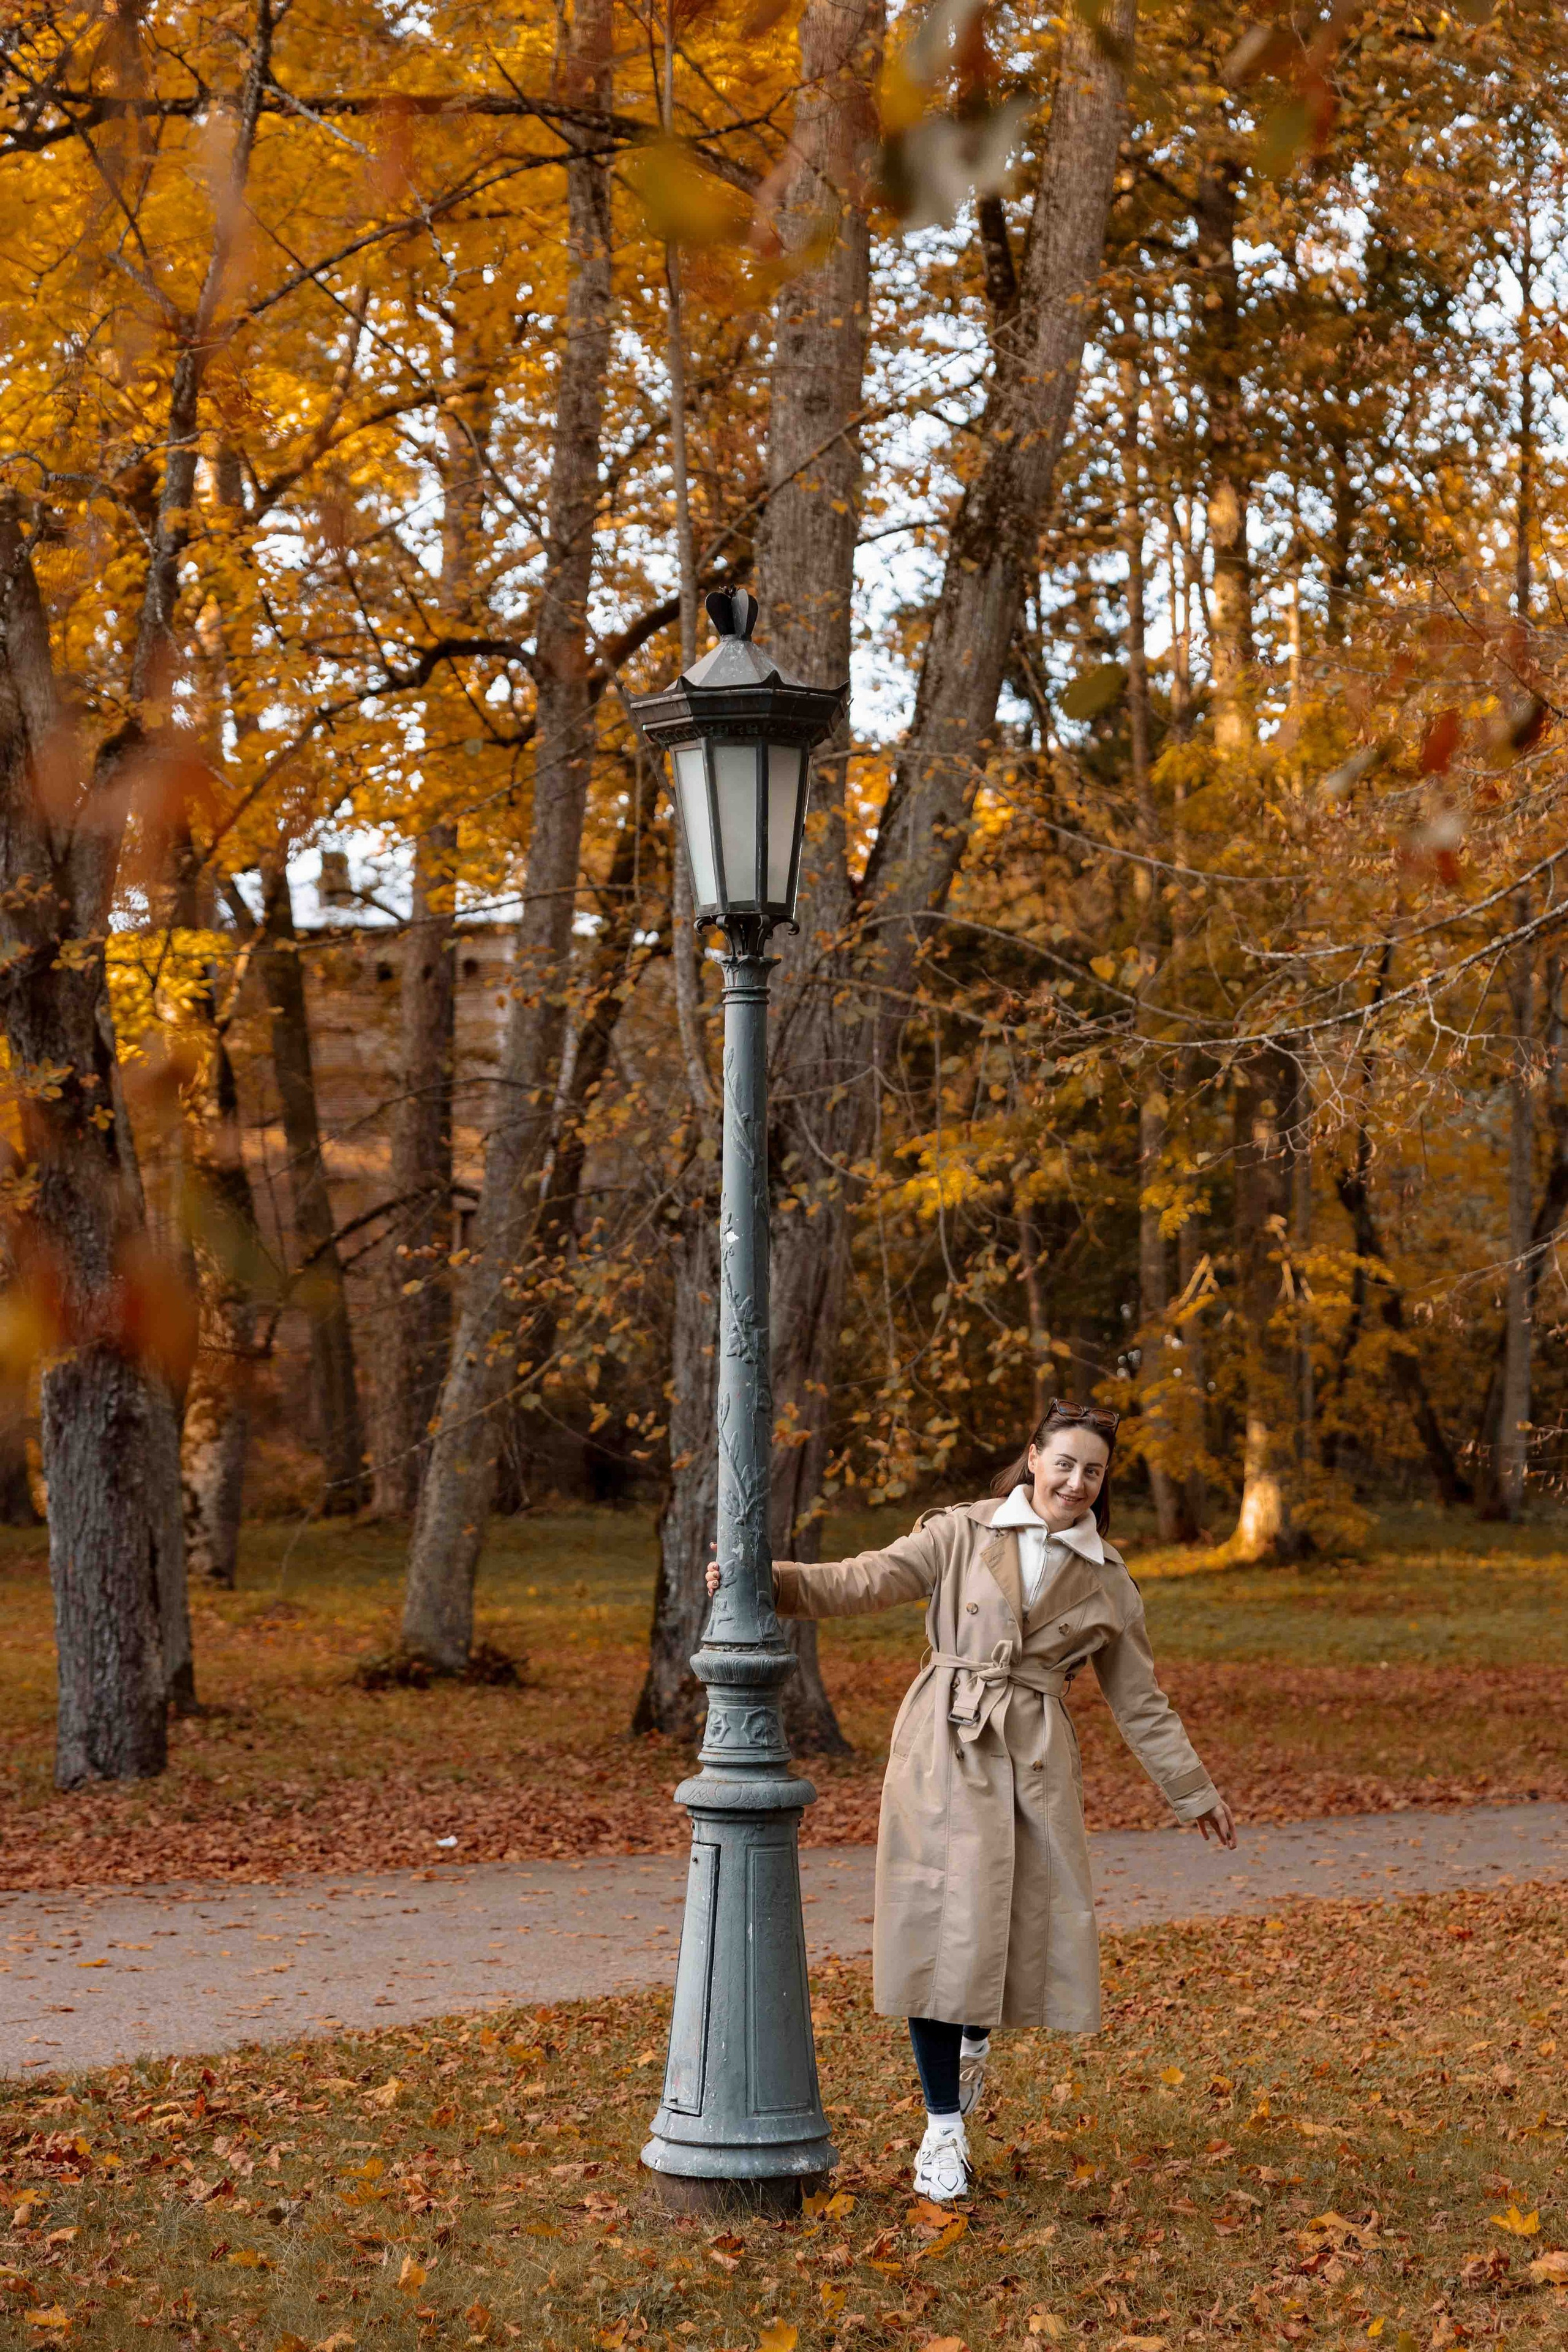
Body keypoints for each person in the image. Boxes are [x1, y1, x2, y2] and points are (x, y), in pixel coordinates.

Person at [704, 1400, 1235, 2203]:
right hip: (944, 1747)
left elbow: (1141, 1701)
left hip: (1035, 1762)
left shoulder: (1107, 1580)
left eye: (1093, 1470)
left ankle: (973, 2043)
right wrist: (760, 1581)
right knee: (936, 1937)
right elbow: (864, 1579)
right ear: (1033, 1458)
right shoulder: (962, 1532)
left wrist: (1192, 1791)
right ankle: (942, 2127)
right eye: (1064, 1463)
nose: (1077, 1481)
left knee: (1006, 1932)